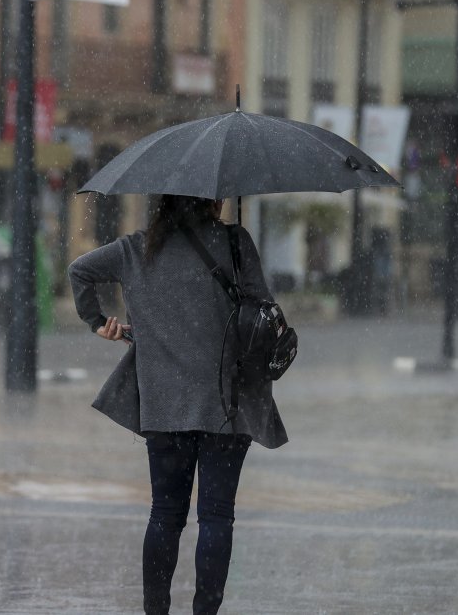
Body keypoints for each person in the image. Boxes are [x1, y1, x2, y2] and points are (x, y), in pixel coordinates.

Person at [67, 195, 287, 615]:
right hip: (227, 404)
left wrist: (97, 321)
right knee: (217, 516)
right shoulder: (235, 243)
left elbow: (80, 271)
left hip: (163, 407)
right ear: (212, 199)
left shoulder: (135, 248)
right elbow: (265, 314)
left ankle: (156, 610)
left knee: (165, 514)